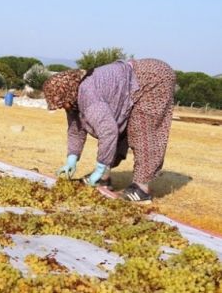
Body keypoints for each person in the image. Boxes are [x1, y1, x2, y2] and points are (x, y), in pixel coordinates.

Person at [42, 59, 176, 204]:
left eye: (62, 103)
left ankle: (141, 190)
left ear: (67, 93)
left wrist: (100, 166)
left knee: (142, 131)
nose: (63, 107)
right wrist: (72, 159)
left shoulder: (88, 94)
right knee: (115, 126)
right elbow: (76, 129)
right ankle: (104, 180)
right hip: (131, 80)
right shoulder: (72, 96)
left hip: (153, 78)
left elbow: (108, 131)